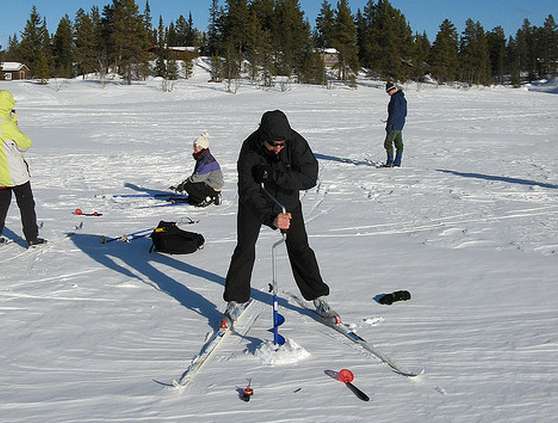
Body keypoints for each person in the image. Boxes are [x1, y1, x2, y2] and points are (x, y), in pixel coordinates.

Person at [223, 109, 336, 323]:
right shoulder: (249, 148)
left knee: (300, 248)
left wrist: (273, 176)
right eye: (273, 144)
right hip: (255, 204)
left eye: (281, 145)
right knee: (244, 248)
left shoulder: (295, 142)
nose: (278, 148)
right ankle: (236, 300)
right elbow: (247, 191)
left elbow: (310, 177)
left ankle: (317, 297)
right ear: (263, 136)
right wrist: (270, 217)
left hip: (287, 201)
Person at [0, 90, 46, 247]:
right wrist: (14, 122)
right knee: (27, 205)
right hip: (14, 173)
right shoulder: (6, 124)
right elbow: (25, 144)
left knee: (1, 206)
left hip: (0, 176)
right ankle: (32, 237)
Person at [170, 131, 223, 207]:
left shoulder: (206, 160)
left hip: (214, 186)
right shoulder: (203, 156)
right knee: (190, 184)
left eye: (198, 147)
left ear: (203, 147)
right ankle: (201, 197)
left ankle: (202, 199)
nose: (195, 148)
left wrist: (184, 183)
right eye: (194, 146)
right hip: (211, 184)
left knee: (189, 186)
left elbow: (198, 177)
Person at [382, 82, 407, 167]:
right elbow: (404, 113)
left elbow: (394, 113)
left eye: (388, 91)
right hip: (400, 124)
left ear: (393, 89)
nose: (388, 93)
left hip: (394, 125)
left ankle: (389, 162)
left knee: (387, 143)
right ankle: (397, 162)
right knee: (399, 145)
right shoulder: (402, 98)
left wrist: (390, 124)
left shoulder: (395, 98)